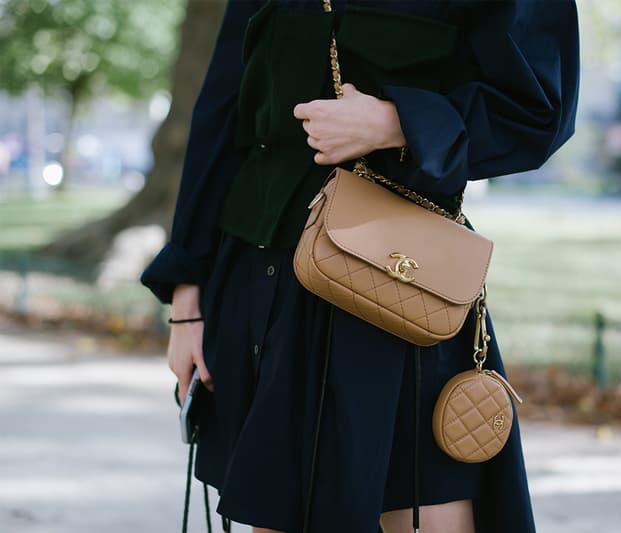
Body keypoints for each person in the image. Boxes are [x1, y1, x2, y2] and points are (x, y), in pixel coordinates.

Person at [141, 0, 579, 532]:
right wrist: (186, 297)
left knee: (428, 509)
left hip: (400, 294)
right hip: (265, 290)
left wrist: (395, 122)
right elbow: (222, 114)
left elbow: (536, 108)